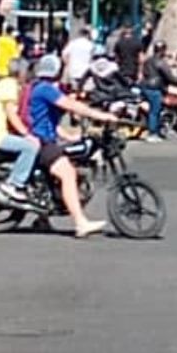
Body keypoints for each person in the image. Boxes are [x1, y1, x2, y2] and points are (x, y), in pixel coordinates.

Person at [26, 54, 120, 238]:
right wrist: (102, 116)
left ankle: (42, 218)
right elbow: (72, 106)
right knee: (68, 174)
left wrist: (69, 135)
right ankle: (80, 223)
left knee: (56, 174)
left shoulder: (40, 88)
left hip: (45, 138)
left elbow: (45, 120)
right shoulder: (46, 89)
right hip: (42, 143)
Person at [0, 58, 40, 201]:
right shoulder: (9, 86)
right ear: (20, 72)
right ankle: (15, 183)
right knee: (30, 147)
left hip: (0, 132)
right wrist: (27, 134)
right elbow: (11, 115)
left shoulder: (5, 84)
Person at [140, 40, 177, 142]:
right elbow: (169, 76)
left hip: (145, 86)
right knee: (154, 111)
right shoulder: (160, 62)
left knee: (155, 110)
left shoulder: (148, 60)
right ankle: (152, 133)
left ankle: (158, 128)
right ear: (163, 50)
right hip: (154, 88)